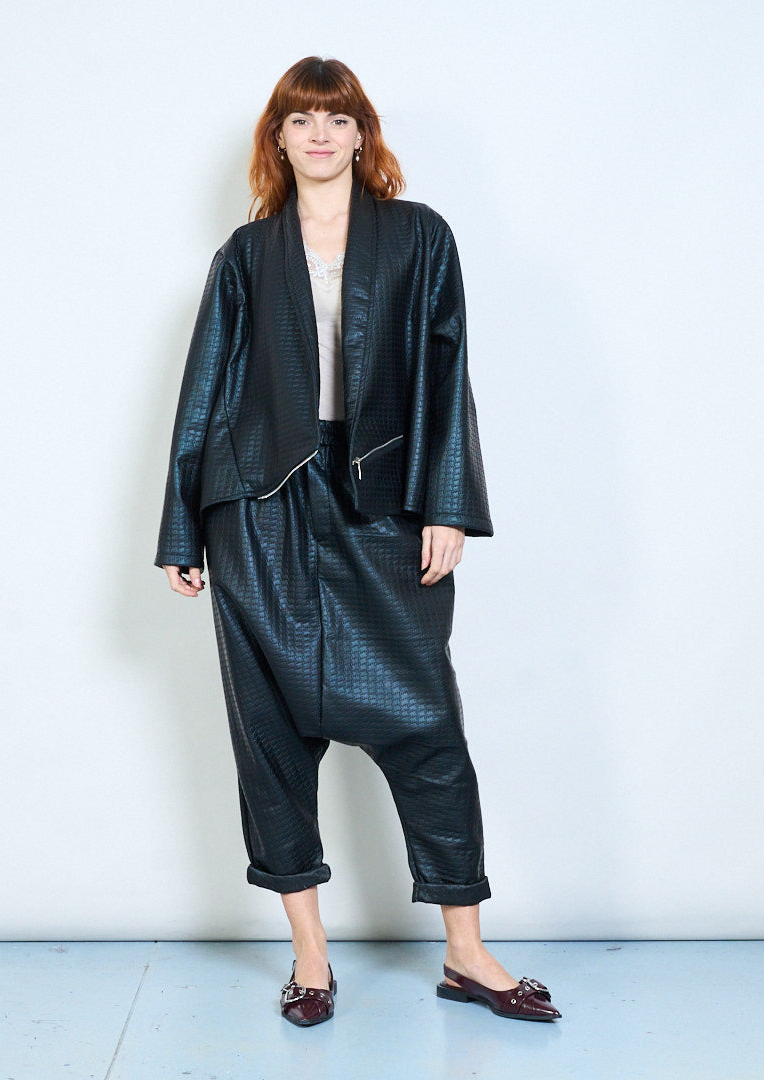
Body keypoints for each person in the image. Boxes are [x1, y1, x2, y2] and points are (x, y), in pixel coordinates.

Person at [155, 56, 560, 1027]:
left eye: (338, 119)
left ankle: (466, 953)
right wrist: (182, 528)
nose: (321, 135)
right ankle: (310, 959)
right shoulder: (246, 255)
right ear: (279, 138)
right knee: (269, 734)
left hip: (384, 497)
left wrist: (447, 505)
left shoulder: (418, 237)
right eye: (302, 120)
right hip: (260, 507)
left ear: (361, 134)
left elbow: (447, 373)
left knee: (426, 726)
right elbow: (205, 388)